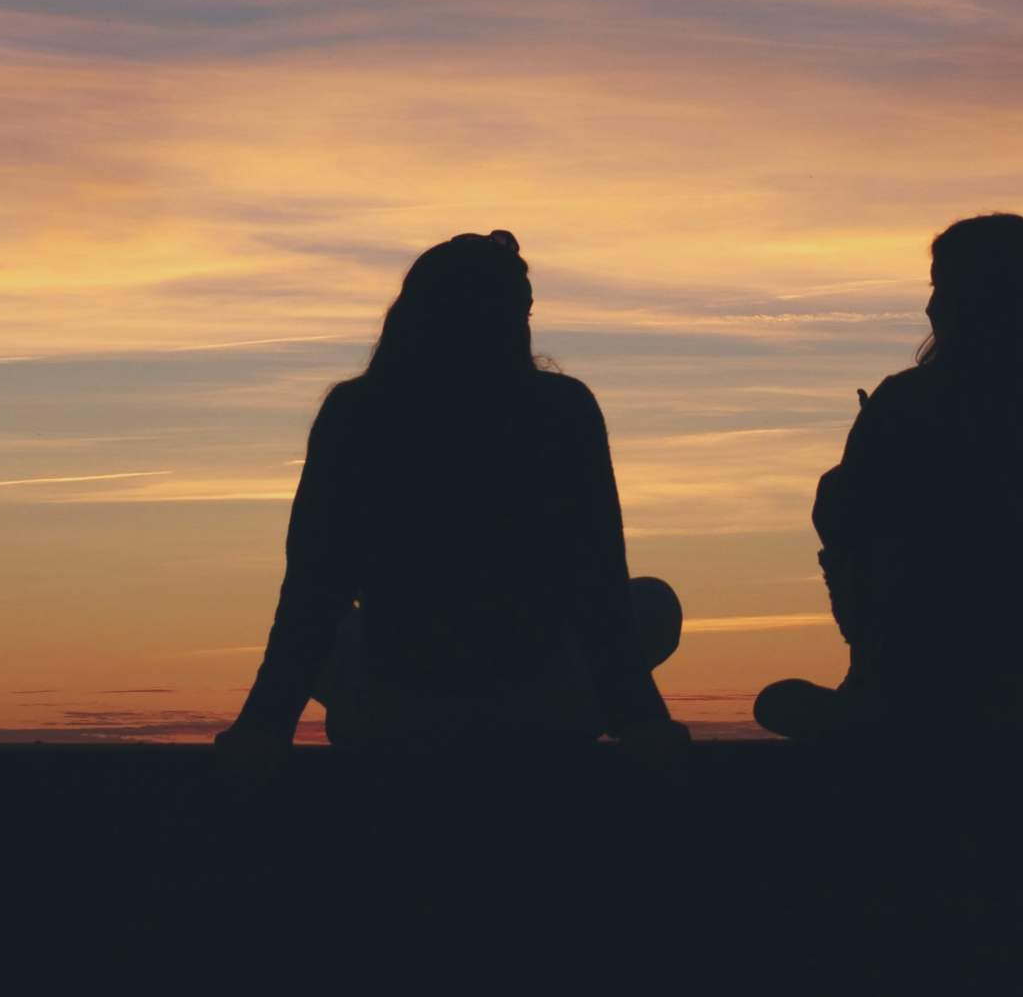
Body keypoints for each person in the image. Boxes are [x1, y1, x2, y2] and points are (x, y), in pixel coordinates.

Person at [215, 231, 688, 764]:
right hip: (541, 712)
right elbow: (596, 586)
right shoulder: (562, 411)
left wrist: (264, 726)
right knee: (652, 601)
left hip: (393, 715)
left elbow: (314, 590)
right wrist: (642, 721)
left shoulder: (356, 413)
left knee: (341, 626)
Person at [754, 213, 1023, 740]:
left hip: (928, 700)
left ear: (974, 297)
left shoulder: (914, 400)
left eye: (941, 287)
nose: (929, 305)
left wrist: (841, 473)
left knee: (775, 703)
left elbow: (842, 519)